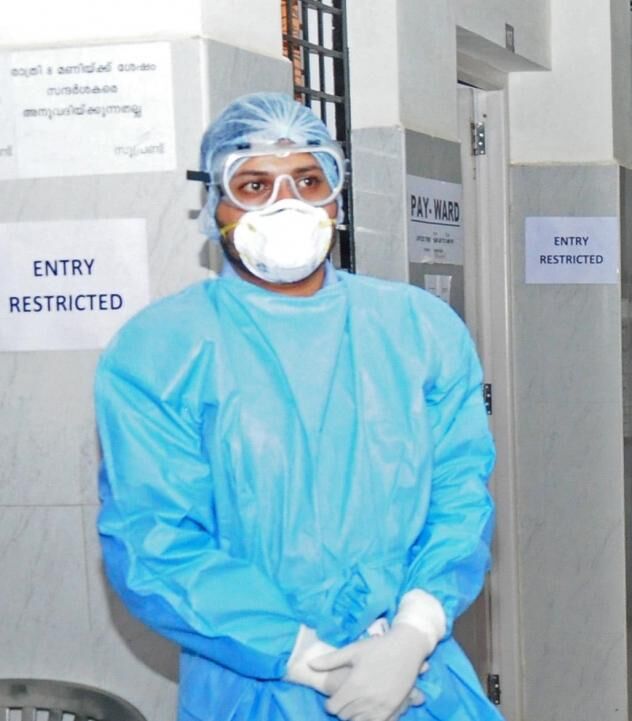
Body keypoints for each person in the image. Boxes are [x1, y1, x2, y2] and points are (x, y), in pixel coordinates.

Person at [94, 93, 502, 721]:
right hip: (258, 686)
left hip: (417, 680)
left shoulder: (418, 328)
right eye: (254, 185)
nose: (287, 204)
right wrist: (308, 661)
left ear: (336, 199)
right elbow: (154, 542)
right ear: (215, 204)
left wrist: (414, 631)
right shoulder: (162, 350)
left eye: (309, 181)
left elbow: (459, 495)